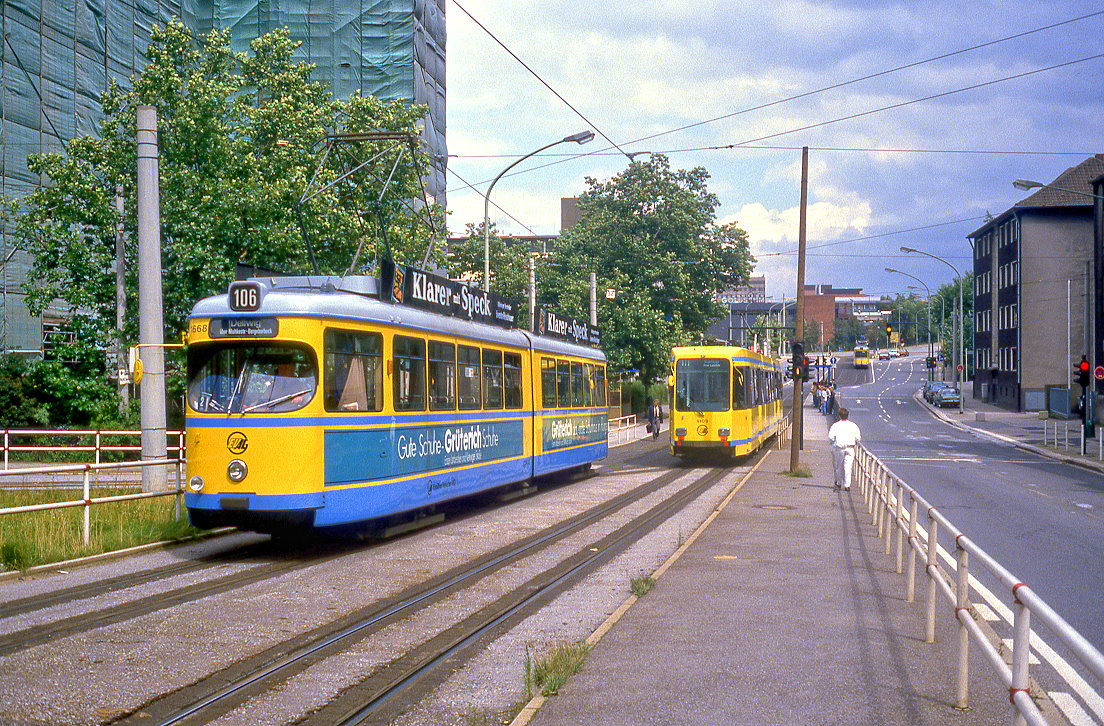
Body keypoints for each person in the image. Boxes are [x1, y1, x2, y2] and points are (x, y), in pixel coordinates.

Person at [827, 406, 861, 490]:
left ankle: (838, 482)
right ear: (847, 415)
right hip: (850, 448)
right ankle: (847, 485)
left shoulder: (835, 425)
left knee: (839, 466)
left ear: (839, 416)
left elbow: (831, 437)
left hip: (839, 448)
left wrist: (834, 443)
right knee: (848, 466)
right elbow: (858, 438)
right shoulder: (853, 425)